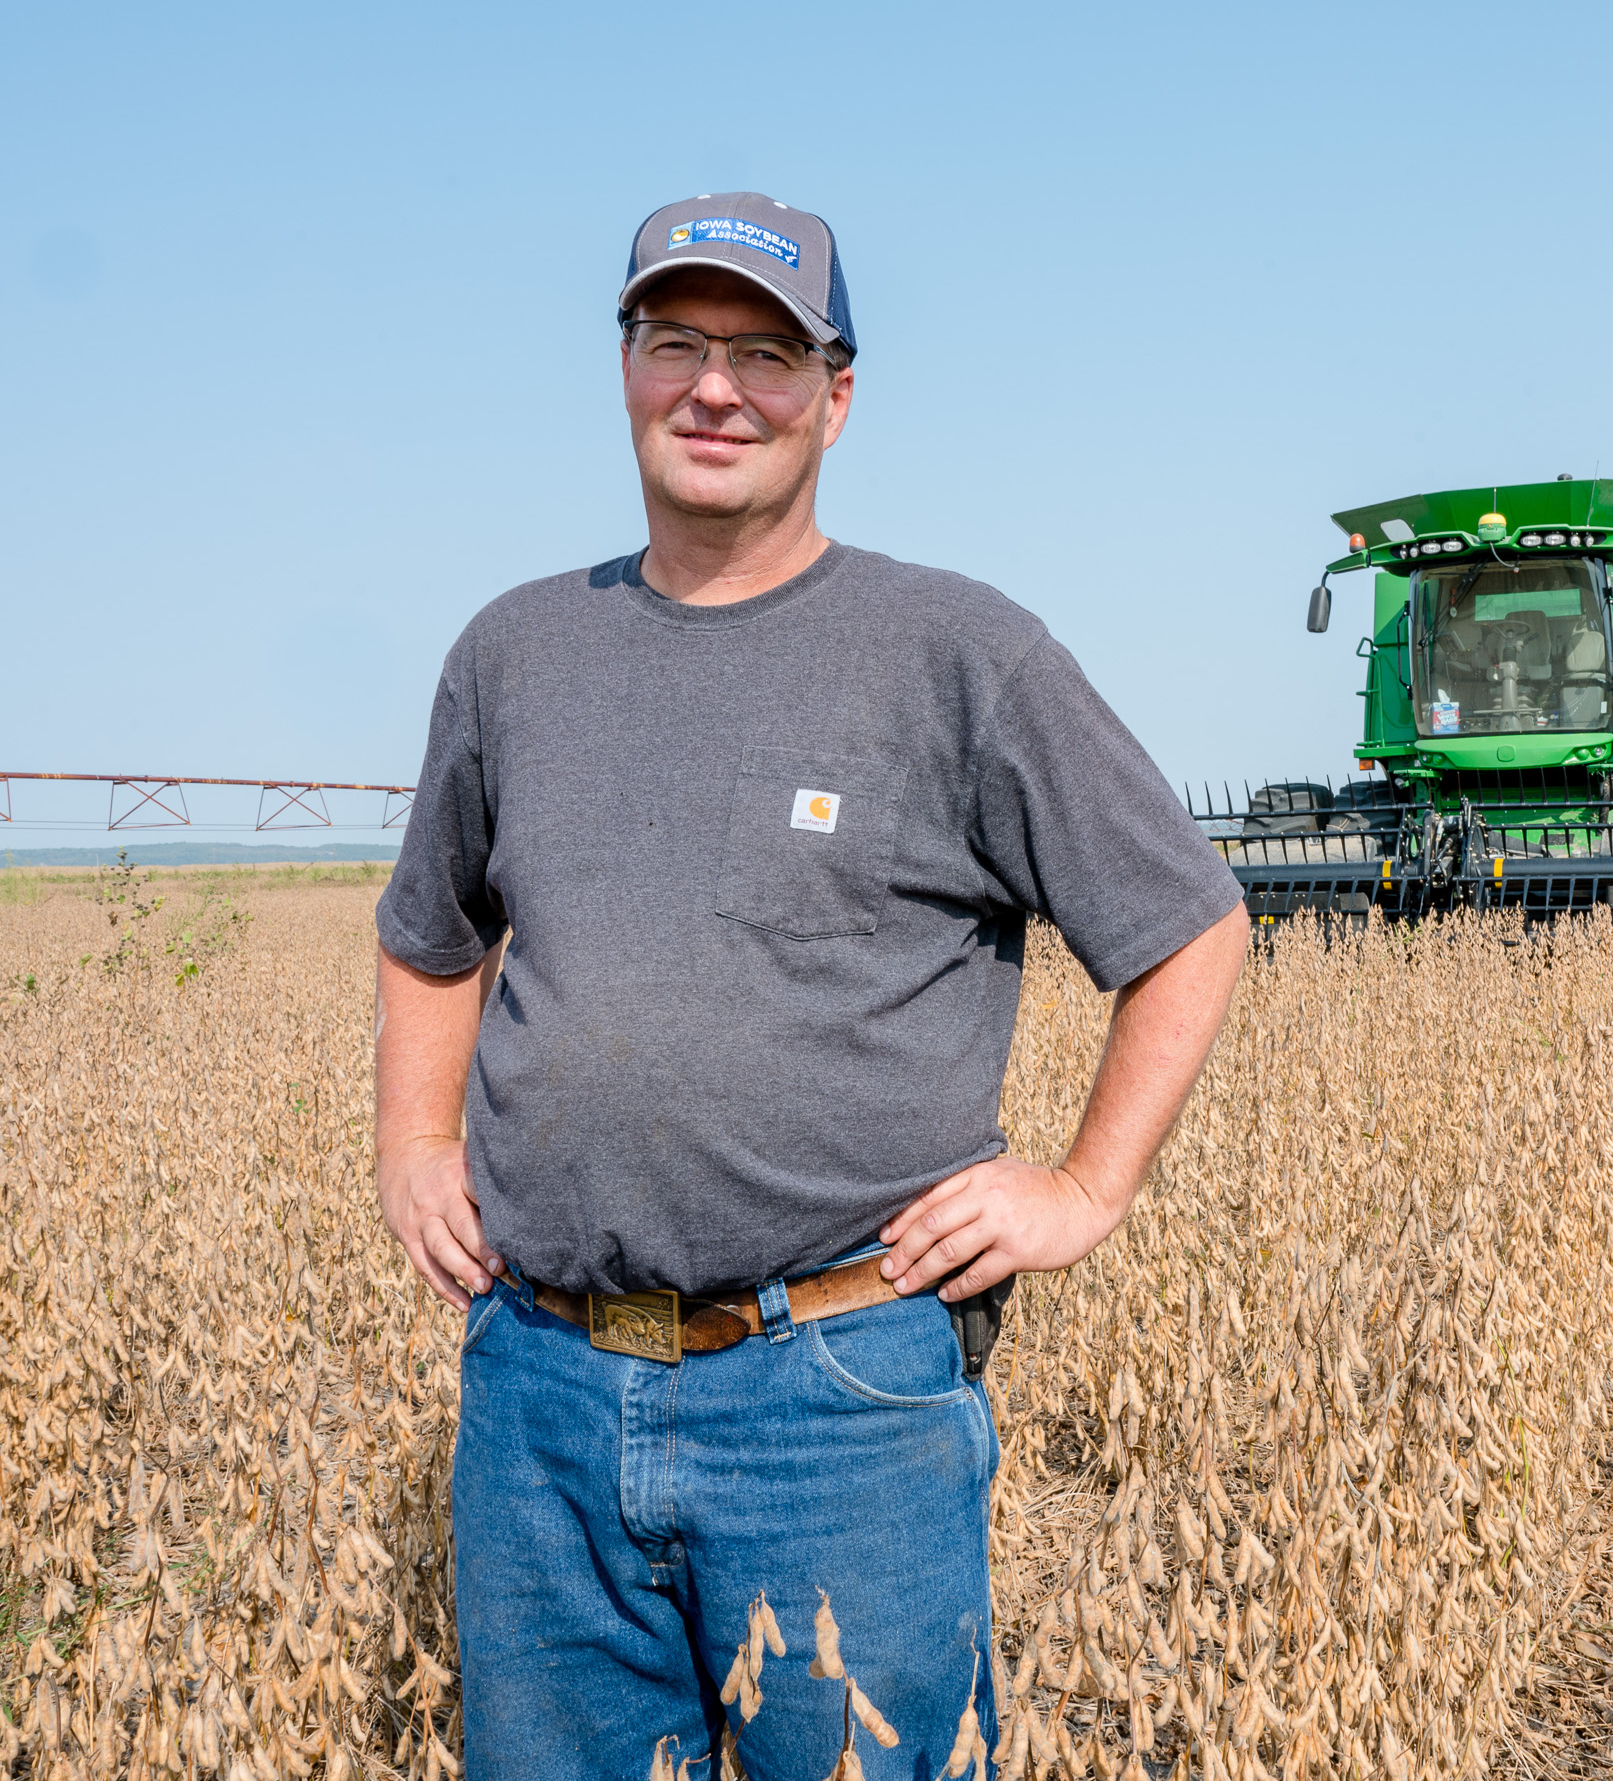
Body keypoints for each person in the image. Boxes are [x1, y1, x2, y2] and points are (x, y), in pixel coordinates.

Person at [372, 191, 1248, 1780]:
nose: (717, 389)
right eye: (677, 342)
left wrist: (1084, 1189)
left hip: (838, 1397)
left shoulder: (960, 653)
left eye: (766, 354)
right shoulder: (513, 653)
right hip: (543, 1394)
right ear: (625, 365)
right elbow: (431, 930)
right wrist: (415, 1144)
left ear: (835, 398)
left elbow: (1188, 925)